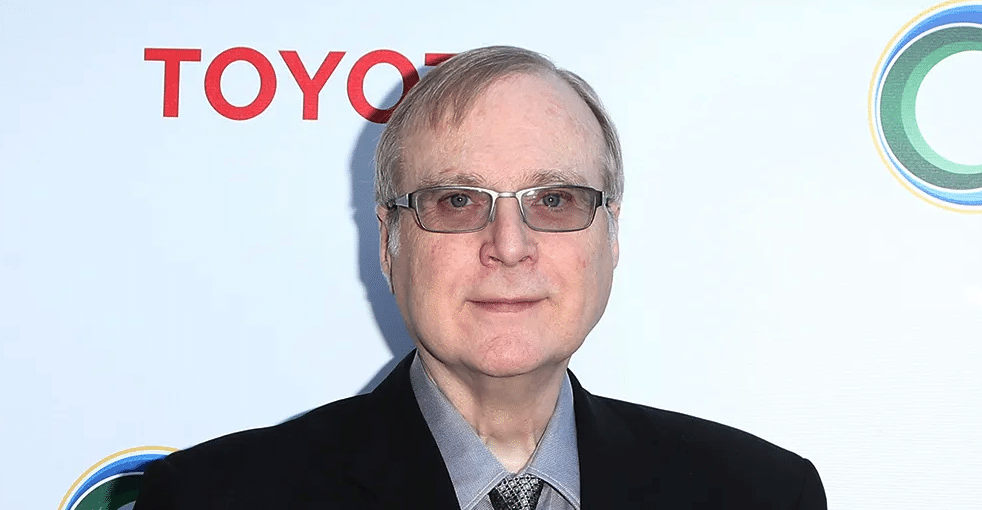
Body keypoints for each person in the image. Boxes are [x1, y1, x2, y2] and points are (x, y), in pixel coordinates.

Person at [134, 46, 826, 510]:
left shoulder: (759, 494)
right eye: (457, 202)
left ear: (610, 236)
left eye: (553, 200)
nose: (508, 246)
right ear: (388, 241)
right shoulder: (213, 498)